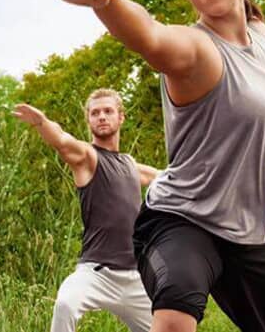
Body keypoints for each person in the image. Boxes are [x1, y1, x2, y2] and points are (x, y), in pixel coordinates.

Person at [43, 0, 265, 332]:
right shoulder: (195, 49)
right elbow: (150, 36)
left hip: (251, 229)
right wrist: (103, 0)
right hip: (182, 219)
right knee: (176, 315)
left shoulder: (259, 33)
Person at [13, 89, 158, 332]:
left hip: (136, 278)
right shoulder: (87, 157)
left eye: (108, 111)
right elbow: (61, 140)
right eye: (95, 113)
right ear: (88, 120)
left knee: (169, 326)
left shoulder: (130, 165)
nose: (101, 116)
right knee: (66, 305)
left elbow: (167, 177)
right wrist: (42, 122)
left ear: (120, 117)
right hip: (97, 274)